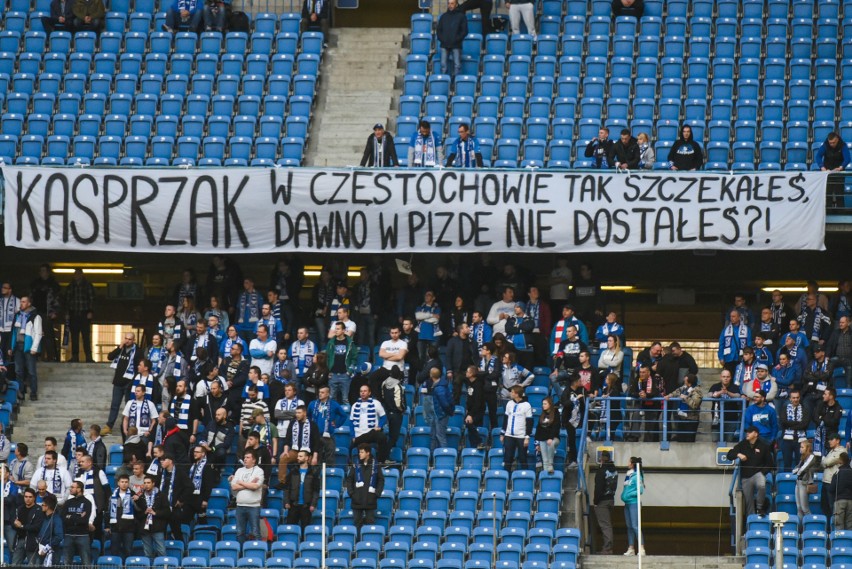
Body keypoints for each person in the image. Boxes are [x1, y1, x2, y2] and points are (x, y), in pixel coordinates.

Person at [728, 426, 774, 517]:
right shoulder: (742, 444)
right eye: (747, 432)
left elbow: (770, 463)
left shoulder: (763, 446)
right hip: (746, 476)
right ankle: (751, 520)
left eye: (750, 432)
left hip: (758, 473)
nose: (747, 433)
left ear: (756, 434)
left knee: (761, 485)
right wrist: (738, 454)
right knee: (748, 501)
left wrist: (762, 472)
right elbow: (729, 454)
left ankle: (760, 508)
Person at [104, 332, 143, 436]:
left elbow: (140, 367)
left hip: (129, 383)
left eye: (130, 339)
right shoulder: (120, 349)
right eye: (126, 338)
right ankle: (109, 426)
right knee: (114, 405)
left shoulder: (138, 351)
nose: (127, 341)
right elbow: (110, 357)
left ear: (134, 340)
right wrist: (119, 347)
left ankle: (129, 426)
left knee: (129, 405)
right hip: (118, 382)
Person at [345, 444, 384, 534]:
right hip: (357, 500)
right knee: (357, 524)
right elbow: (349, 479)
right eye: (359, 452)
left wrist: (377, 494)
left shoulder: (376, 465)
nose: (360, 454)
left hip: (370, 500)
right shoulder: (356, 465)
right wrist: (351, 493)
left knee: (370, 525)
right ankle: (358, 545)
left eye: (362, 452)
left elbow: (381, 480)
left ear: (368, 453)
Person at [11, 296, 43, 401]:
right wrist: (11, 346)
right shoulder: (17, 315)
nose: (21, 303)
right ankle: (20, 393)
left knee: (31, 371)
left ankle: (33, 393)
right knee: (18, 371)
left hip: (28, 346)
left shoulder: (35, 316)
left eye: (24, 302)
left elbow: (38, 333)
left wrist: (34, 347)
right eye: (21, 302)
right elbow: (14, 332)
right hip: (18, 346)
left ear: (29, 303)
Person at [230, 449, 264, 544]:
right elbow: (233, 486)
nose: (245, 459)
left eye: (248, 457)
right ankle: (241, 553)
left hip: (253, 507)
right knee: (240, 532)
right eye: (244, 457)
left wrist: (240, 482)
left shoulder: (259, 471)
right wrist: (248, 484)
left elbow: (255, 486)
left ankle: (257, 553)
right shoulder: (239, 470)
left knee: (255, 532)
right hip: (240, 506)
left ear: (254, 460)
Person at [349, 385, 389, 462]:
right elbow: (351, 422)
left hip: (371, 433)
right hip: (359, 434)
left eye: (365, 391)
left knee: (382, 437)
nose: (362, 393)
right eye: (361, 391)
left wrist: (380, 426)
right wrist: (353, 436)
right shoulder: (354, 406)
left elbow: (383, 417)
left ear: (369, 392)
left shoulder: (376, 403)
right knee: (351, 449)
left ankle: (382, 461)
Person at [133, 475, 169, 559]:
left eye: (148, 483)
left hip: (158, 527)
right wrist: (145, 513)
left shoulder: (161, 496)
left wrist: (155, 513)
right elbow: (137, 515)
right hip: (145, 529)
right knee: (147, 553)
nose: (146, 485)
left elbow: (167, 512)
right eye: (144, 483)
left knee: (161, 551)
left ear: (153, 483)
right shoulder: (140, 497)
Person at [283, 450, 318, 533]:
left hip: (306, 506)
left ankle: (304, 545)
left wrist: (313, 504)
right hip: (293, 505)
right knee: (290, 530)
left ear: (306, 458)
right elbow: (287, 488)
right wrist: (286, 502)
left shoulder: (313, 472)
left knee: (305, 530)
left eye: (300, 456)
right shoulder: (292, 471)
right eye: (298, 456)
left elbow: (316, 491)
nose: (298, 458)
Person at [815, 131, 851, 208]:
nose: (831, 144)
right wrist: (822, 167)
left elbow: (847, 159)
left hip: (839, 172)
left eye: (833, 142)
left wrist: (841, 167)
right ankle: (827, 212)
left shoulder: (843, 146)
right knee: (827, 193)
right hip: (827, 172)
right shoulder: (825, 145)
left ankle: (841, 213)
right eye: (830, 143)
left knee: (839, 194)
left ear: (837, 139)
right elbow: (818, 157)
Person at [501, 385, 533, 472]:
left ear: (517, 394)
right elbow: (505, 419)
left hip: (521, 436)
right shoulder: (509, 403)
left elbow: (529, 422)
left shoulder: (527, 405)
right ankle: (507, 478)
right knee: (507, 458)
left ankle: (525, 477)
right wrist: (502, 433)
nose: (510, 393)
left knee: (523, 458)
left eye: (512, 392)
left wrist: (527, 436)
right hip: (509, 435)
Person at [326, 321, 358, 405]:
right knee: (332, 399)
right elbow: (327, 358)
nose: (336, 331)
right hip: (333, 374)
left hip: (345, 374)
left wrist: (350, 371)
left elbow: (354, 357)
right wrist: (328, 371)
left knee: (345, 399)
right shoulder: (330, 343)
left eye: (338, 329)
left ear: (343, 330)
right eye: (335, 329)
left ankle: (347, 418)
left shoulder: (350, 343)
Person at [665, 373, 703, 442]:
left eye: (685, 381)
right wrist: (669, 395)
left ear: (690, 383)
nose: (684, 382)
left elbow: (695, 404)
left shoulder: (697, 391)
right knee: (680, 440)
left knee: (689, 441)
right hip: (682, 418)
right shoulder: (685, 387)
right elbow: (677, 391)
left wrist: (685, 398)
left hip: (691, 420)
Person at [779, 390, 810, 471]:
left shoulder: (805, 409)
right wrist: (798, 423)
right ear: (790, 399)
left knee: (800, 464)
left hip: (801, 441)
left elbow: (805, 424)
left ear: (799, 398)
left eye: (797, 398)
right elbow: (783, 423)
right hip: (787, 441)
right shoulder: (784, 408)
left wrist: (790, 425)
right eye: (793, 398)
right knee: (787, 464)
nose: (795, 399)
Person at [63, 481, 93, 566]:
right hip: (68, 534)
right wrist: (77, 517)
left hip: (82, 535)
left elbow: (84, 520)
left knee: (86, 562)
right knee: (66, 563)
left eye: (72, 487)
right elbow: (63, 518)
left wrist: (70, 516)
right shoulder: (68, 502)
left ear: (79, 489)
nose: (70, 489)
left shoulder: (87, 503)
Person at [594, 450, 618, 555]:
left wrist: (595, 501)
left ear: (601, 459)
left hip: (602, 501)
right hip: (611, 499)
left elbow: (598, 488)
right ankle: (608, 547)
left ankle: (607, 548)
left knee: (605, 525)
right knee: (607, 524)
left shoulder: (601, 471)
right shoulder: (614, 470)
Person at [12, 488, 44, 566]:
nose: (28, 499)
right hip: (20, 540)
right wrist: (15, 523)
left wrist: (22, 526)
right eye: (26, 497)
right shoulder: (19, 509)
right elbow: (14, 524)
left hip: (32, 541)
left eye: (30, 497)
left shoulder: (38, 510)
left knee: (32, 565)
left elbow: (37, 527)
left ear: (34, 498)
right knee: (14, 564)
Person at [437, 0, 467, 78]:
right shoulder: (443, 16)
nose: (450, 5)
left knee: (457, 65)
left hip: (456, 45)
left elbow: (464, 31)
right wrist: (442, 39)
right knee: (443, 65)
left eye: (452, 3)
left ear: (456, 4)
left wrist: (456, 39)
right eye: (449, 3)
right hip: (444, 44)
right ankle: (444, 82)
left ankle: (455, 84)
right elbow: (439, 30)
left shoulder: (461, 16)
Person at [621, 457, 645, 556]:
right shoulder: (629, 475)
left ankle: (642, 548)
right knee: (629, 526)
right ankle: (631, 548)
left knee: (635, 526)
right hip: (627, 503)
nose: (627, 463)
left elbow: (640, 490)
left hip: (634, 503)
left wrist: (629, 495)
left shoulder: (637, 476)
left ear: (632, 463)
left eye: (629, 461)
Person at [718, 309, 752, 377]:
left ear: (739, 317)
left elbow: (749, 344)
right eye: (730, 316)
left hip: (741, 359)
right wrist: (721, 357)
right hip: (728, 359)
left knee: (740, 378)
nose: (731, 318)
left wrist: (748, 356)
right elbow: (721, 345)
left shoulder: (746, 329)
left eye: (733, 316)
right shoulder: (726, 330)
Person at [793, 439, 819, 517]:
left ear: (808, 448)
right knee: (799, 508)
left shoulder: (811, 456)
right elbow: (794, 470)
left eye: (802, 447)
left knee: (805, 508)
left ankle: (810, 526)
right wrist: (797, 470)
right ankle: (800, 528)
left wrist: (797, 470)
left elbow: (802, 469)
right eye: (800, 447)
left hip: (804, 483)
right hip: (798, 482)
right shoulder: (802, 457)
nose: (800, 449)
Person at [535, 396, 561, 474]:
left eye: (545, 404)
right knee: (544, 458)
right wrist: (537, 442)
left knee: (551, 443)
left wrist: (550, 437)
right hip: (542, 438)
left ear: (550, 404)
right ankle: (546, 473)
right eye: (543, 404)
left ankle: (550, 464)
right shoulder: (542, 415)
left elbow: (556, 427)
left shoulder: (556, 413)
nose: (543, 405)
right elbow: (538, 428)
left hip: (554, 438)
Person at [36, 493, 62, 566]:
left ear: (48, 506)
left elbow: (59, 536)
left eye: (43, 505)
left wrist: (46, 548)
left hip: (52, 553)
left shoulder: (56, 519)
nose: (42, 506)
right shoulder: (44, 518)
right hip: (41, 550)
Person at [822, 433, 845, 517]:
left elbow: (827, 462)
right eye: (829, 439)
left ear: (838, 441)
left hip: (833, 482)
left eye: (832, 439)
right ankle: (828, 527)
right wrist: (826, 462)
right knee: (825, 506)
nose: (829, 441)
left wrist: (826, 461)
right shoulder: (831, 451)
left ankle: (834, 527)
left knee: (832, 506)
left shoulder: (842, 451)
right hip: (825, 481)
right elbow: (823, 464)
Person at [833, 453, 852, 530]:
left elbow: (831, 488)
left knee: (839, 526)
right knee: (850, 525)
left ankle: (840, 542)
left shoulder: (838, 472)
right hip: (851, 501)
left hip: (840, 500)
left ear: (841, 461)